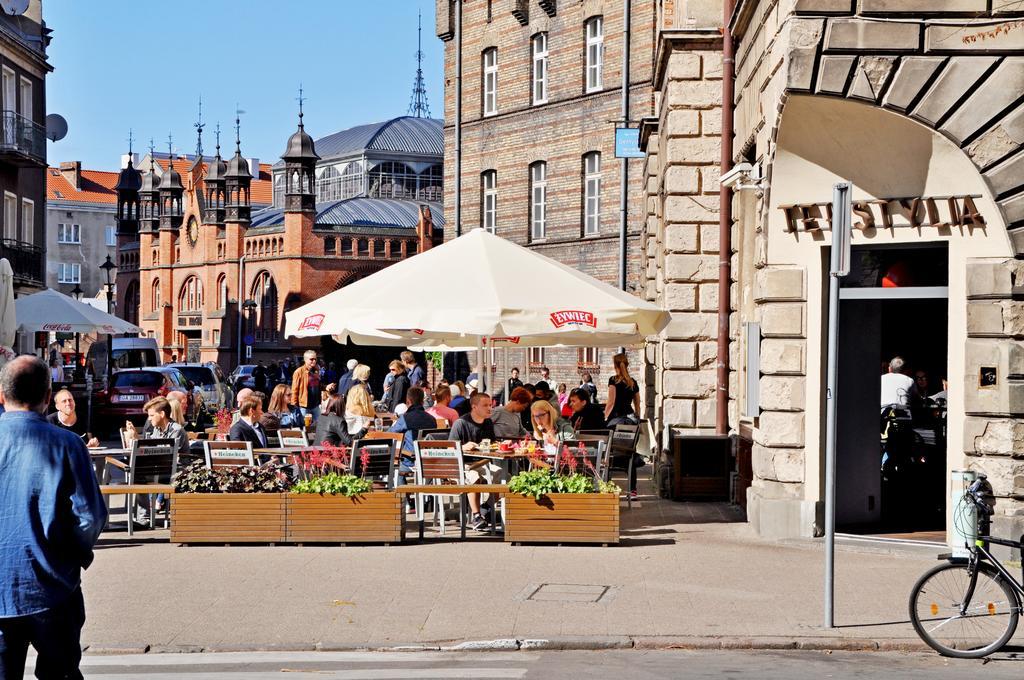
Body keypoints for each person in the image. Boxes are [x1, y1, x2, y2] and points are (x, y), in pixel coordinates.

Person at [0, 356, 106, 680]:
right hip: (53, 587)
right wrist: (70, 552)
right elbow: (91, 517)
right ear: (48, 397)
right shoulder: (68, 445)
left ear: (1, 396)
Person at [448, 392, 498, 531]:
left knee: (506, 478)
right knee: (474, 477)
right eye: (485, 405)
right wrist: (462, 447)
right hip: (462, 465)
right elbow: (449, 448)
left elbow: (492, 443)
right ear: (474, 407)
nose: (490, 408)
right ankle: (476, 517)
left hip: (483, 463)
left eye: (490, 405)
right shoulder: (461, 423)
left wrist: (500, 445)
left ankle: (485, 507)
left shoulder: (488, 422)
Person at [389, 387, 438, 457]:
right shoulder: (432, 419)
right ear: (422, 402)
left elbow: (390, 433)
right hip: (427, 458)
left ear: (408, 401)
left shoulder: (405, 418)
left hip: (409, 459)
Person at [604, 352, 640, 427]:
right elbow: (637, 405)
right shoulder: (633, 382)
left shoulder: (613, 380)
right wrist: (637, 418)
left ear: (615, 366)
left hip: (616, 417)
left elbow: (611, 402)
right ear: (627, 365)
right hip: (630, 417)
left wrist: (605, 416)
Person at [291, 349, 322, 425]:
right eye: (311, 359)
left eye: (315, 359)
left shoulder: (316, 370)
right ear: (305, 360)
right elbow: (295, 389)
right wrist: (294, 405)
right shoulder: (299, 371)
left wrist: (326, 387)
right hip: (304, 406)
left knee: (319, 425)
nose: (314, 361)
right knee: (305, 427)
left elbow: (318, 385)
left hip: (315, 405)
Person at [345, 364, 376, 435]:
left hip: (353, 422)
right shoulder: (360, 389)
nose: (369, 374)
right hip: (360, 426)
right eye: (368, 373)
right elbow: (366, 409)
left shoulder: (352, 385)